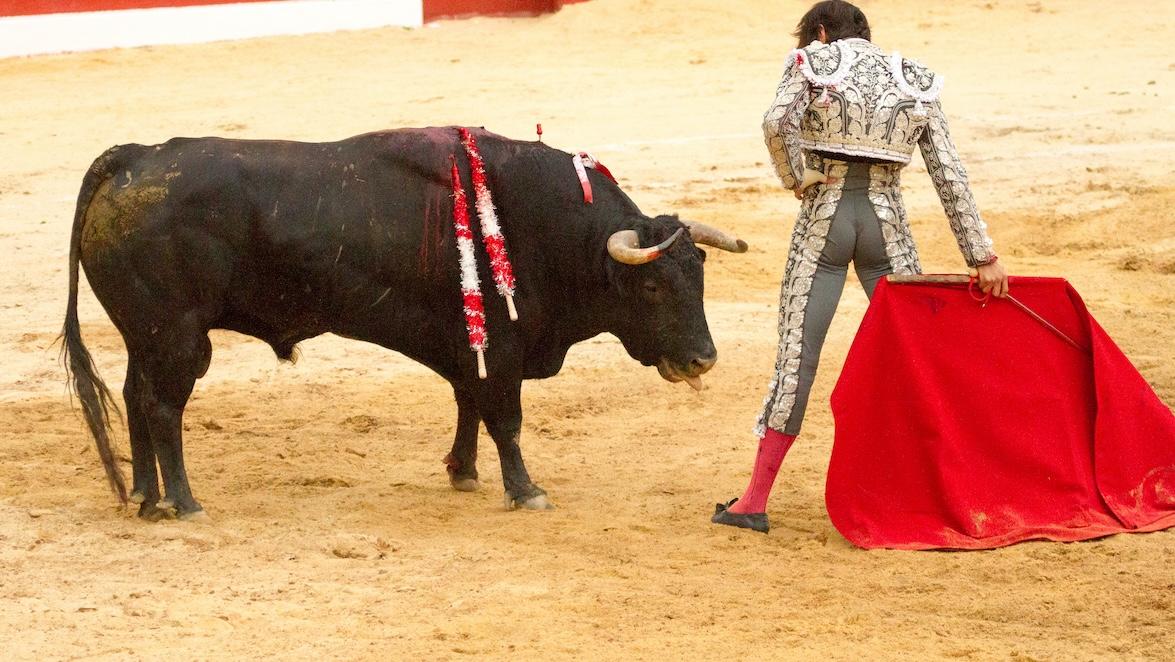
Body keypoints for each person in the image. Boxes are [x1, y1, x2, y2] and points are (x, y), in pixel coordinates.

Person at [712, 0, 1009, 533]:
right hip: (886, 225)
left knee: (797, 361)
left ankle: (753, 502)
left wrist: (795, 176)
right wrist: (981, 256)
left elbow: (776, 122)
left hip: (824, 221)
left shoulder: (814, 61)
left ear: (822, 33)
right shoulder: (915, 79)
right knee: (919, 362)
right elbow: (949, 173)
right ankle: (949, 494)